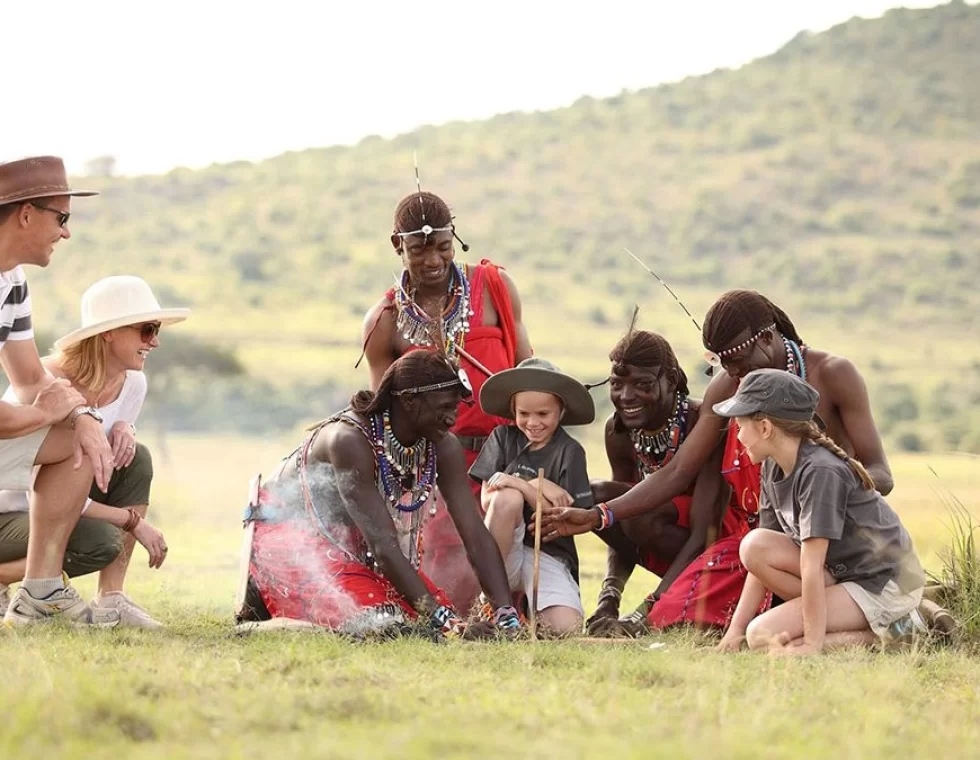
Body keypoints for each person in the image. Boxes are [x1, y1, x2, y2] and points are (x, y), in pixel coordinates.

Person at [541, 289, 893, 631]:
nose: (730, 372)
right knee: (673, 613)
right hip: (760, 539)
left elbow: (882, 474)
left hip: (831, 535)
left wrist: (821, 490)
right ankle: (853, 612)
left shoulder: (834, 373)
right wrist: (599, 515)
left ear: (767, 338)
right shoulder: (728, 384)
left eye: (736, 361)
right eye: (720, 362)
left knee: (764, 606)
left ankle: (869, 606)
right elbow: (679, 471)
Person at [237, 351, 521, 639]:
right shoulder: (348, 440)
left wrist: (506, 616)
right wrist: (449, 627)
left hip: (354, 549)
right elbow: (384, 546)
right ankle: (263, 608)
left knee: (421, 618)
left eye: (456, 407)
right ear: (409, 401)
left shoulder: (442, 445)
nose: (452, 418)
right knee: (384, 623)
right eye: (445, 407)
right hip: (290, 543)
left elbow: (473, 532)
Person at [361, 189, 532, 612]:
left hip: (508, 466)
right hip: (436, 476)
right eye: (419, 250)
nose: (434, 261)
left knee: (527, 607)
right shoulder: (385, 323)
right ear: (397, 245)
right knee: (451, 603)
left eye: (443, 247)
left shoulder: (494, 288)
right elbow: (389, 421)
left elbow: (529, 375)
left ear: (454, 239)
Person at [0, 276, 189, 627]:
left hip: (53, 510)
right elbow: (39, 490)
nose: (156, 341)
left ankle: (111, 601)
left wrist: (124, 428)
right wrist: (132, 521)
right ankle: (26, 587)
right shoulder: (49, 383)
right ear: (109, 332)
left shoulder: (134, 383)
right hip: (9, 512)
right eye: (147, 330)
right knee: (101, 542)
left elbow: (93, 469)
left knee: (138, 458)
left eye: (157, 329)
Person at [714, 369, 925, 655]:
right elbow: (761, 561)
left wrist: (812, 644)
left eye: (741, 425)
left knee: (762, 636)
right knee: (753, 547)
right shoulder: (773, 466)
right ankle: (859, 626)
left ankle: (896, 632)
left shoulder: (820, 472)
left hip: (883, 583)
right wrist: (734, 632)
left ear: (765, 428)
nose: (738, 436)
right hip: (841, 575)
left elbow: (811, 566)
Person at [0, 156, 117, 627]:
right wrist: (47, 414)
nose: (66, 233)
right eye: (61, 217)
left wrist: (84, 415)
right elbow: (30, 404)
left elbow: (29, 378)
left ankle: (39, 594)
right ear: (26, 214)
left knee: (84, 440)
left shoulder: (13, 281)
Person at [585, 329, 738, 635]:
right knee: (594, 496)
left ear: (669, 379)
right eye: (617, 385)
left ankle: (676, 600)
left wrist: (647, 611)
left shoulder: (704, 423)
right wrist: (609, 599)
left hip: (717, 547)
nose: (626, 397)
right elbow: (619, 516)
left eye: (642, 385)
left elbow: (704, 533)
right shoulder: (619, 433)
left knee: (643, 513)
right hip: (663, 544)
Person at [468, 357, 595, 636]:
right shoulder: (502, 438)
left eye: (543, 414)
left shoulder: (570, 452)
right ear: (513, 410)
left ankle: (528, 613)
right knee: (507, 498)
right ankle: (488, 601)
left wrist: (526, 485)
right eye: (523, 413)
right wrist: (534, 486)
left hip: (548, 552)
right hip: (503, 553)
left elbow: (557, 514)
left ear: (560, 411)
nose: (532, 422)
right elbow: (489, 500)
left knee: (565, 630)